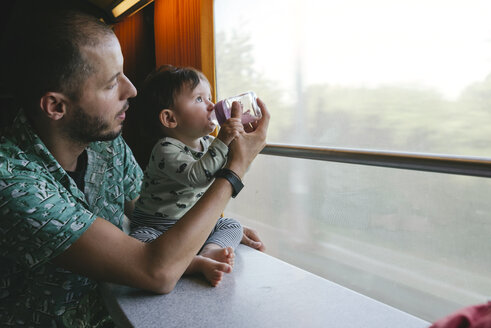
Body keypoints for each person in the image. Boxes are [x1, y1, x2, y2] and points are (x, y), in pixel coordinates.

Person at [0, 10, 269, 327]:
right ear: (56, 106)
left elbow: (156, 208)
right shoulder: (12, 183)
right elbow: (156, 272)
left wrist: (214, 229)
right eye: (112, 83)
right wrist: (234, 170)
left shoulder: (106, 146)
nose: (132, 90)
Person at [130, 65, 247, 287]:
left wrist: (240, 140)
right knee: (139, 241)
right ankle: (192, 263)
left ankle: (211, 250)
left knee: (232, 226)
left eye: (210, 97)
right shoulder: (165, 148)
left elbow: (233, 171)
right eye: (199, 99)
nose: (213, 105)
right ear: (170, 118)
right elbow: (198, 177)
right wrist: (223, 141)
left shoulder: (209, 144)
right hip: (157, 226)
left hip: (192, 224)